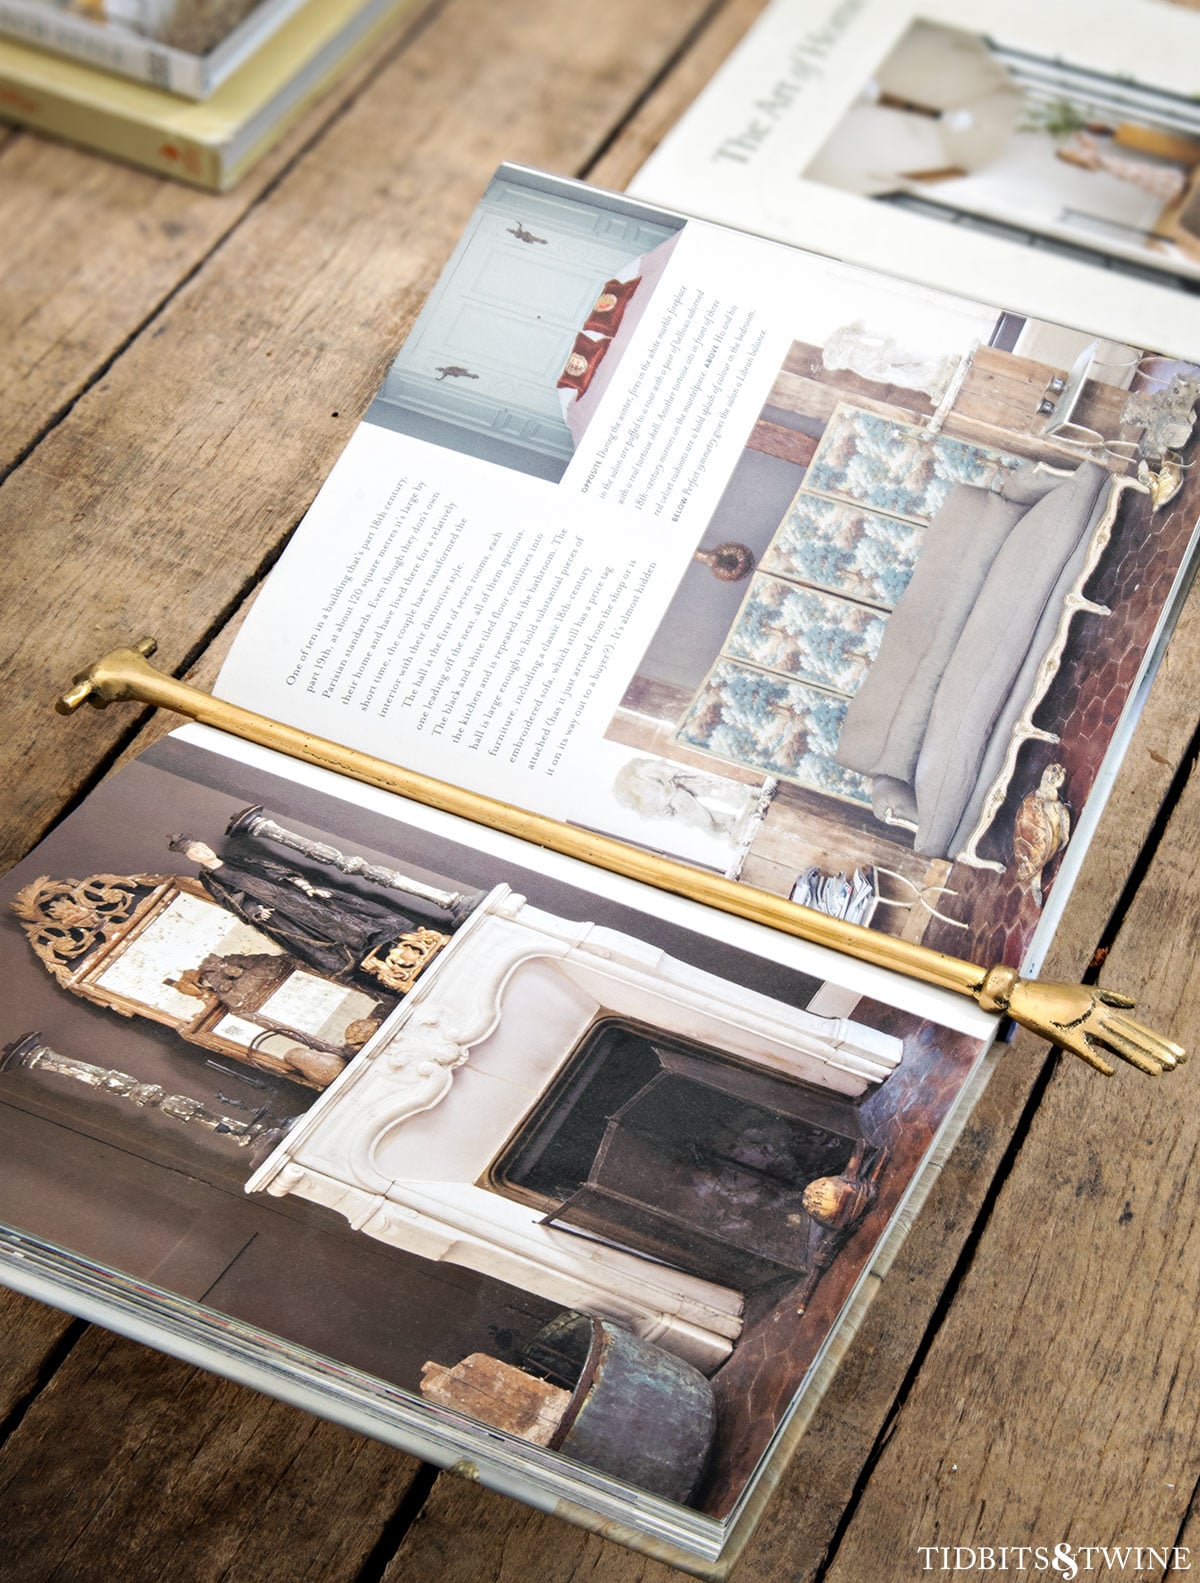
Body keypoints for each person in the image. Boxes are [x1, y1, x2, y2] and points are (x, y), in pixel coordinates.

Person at [168, 836, 447, 985]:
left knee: (345, 918)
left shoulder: (236, 860)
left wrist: (304, 885)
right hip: (281, 915)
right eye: (196, 853)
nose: (203, 853)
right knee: (319, 937)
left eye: (202, 848)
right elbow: (230, 901)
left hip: (295, 897)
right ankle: (375, 962)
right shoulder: (211, 879)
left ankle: (394, 943)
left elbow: (276, 871)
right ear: (192, 858)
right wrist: (253, 910)